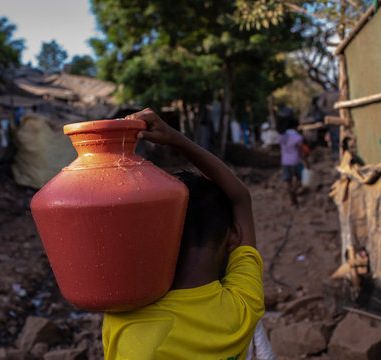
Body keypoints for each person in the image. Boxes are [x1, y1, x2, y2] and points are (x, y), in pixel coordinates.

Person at [102, 108, 265, 359]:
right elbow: (241, 198)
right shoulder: (243, 307)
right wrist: (176, 139)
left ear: (163, 237)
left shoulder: (125, 316)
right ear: (233, 236)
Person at [278, 114, 309, 206]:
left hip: (285, 162)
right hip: (295, 161)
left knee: (289, 182)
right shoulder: (297, 137)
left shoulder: (281, 136)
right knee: (299, 179)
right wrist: (306, 162)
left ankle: (292, 200)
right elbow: (301, 152)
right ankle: (294, 192)